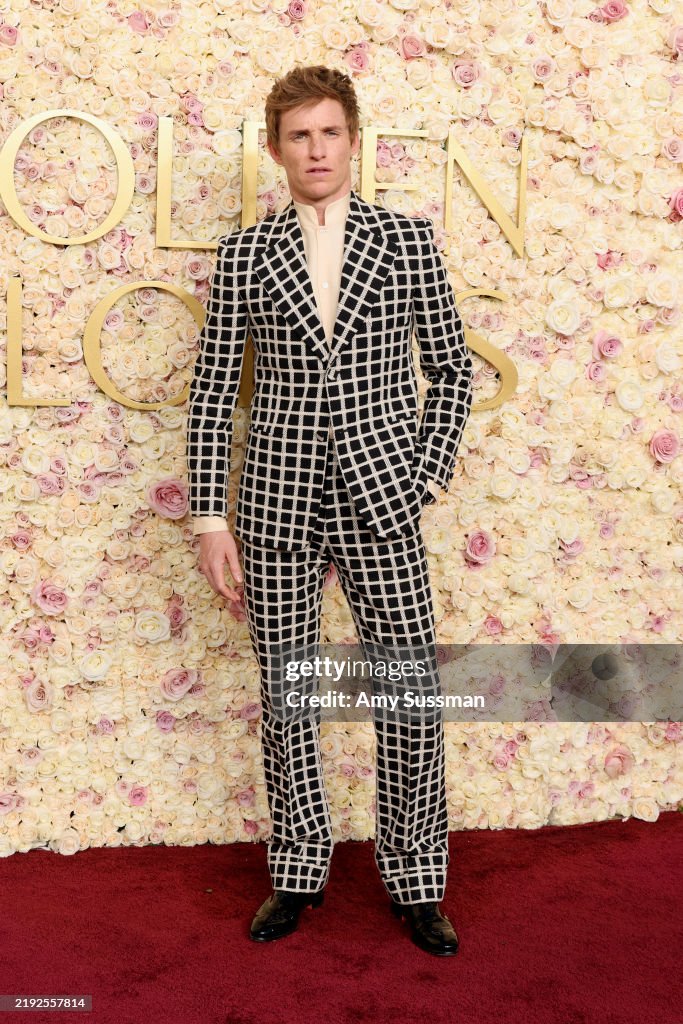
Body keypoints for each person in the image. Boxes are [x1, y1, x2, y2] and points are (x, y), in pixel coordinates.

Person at [186, 64, 473, 956]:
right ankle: (298, 872)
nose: (316, 149)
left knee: (409, 692)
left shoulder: (408, 240)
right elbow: (209, 397)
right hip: (272, 502)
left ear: (353, 140)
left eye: (330, 133)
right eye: (299, 135)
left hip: (384, 499)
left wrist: (421, 476)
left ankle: (417, 880)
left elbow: (453, 367)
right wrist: (209, 519)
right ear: (276, 149)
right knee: (287, 695)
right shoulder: (244, 254)